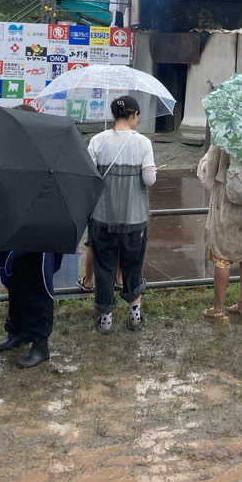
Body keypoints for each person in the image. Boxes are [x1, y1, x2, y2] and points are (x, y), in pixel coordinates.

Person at [86, 95, 156, 333]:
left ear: (114, 115)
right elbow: (150, 179)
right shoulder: (144, 143)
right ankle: (135, 316)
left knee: (104, 267)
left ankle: (106, 319)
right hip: (134, 219)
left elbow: (89, 178)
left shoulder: (97, 141)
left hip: (102, 217)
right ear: (134, 115)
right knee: (133, 266)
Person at [197, 144, 242, 324]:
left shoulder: (226, 136)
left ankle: (218, 310)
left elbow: (206, 176)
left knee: (222, 256)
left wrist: (205, 160)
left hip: (227, 204)